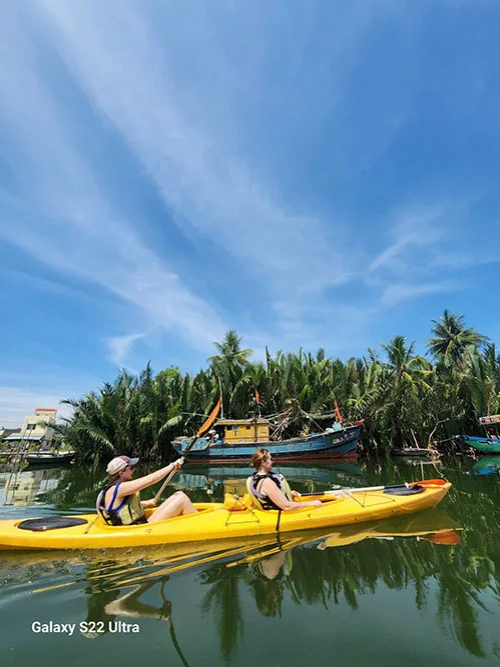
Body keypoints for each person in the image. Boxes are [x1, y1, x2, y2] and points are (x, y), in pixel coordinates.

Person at [97, 455, 196, 526]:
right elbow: (150, 480)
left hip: (137, 525)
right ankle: (198, 527)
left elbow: (119, 508)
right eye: (131, 468)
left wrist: (145, 503)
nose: (133, 470)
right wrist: (171, 466)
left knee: (178, 494)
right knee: (182, 499)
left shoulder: (111, 487)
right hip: (135, 529)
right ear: (121, 473)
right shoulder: (120, 488)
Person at [246, 449, 322, 511]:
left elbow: (267, 495)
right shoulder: (267, 482)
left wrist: (287, 493)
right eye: (270, 459)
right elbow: (287, 506)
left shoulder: (256, 478)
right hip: (279, 516)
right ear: (263, 462)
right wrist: (312, 503)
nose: (272, 462)